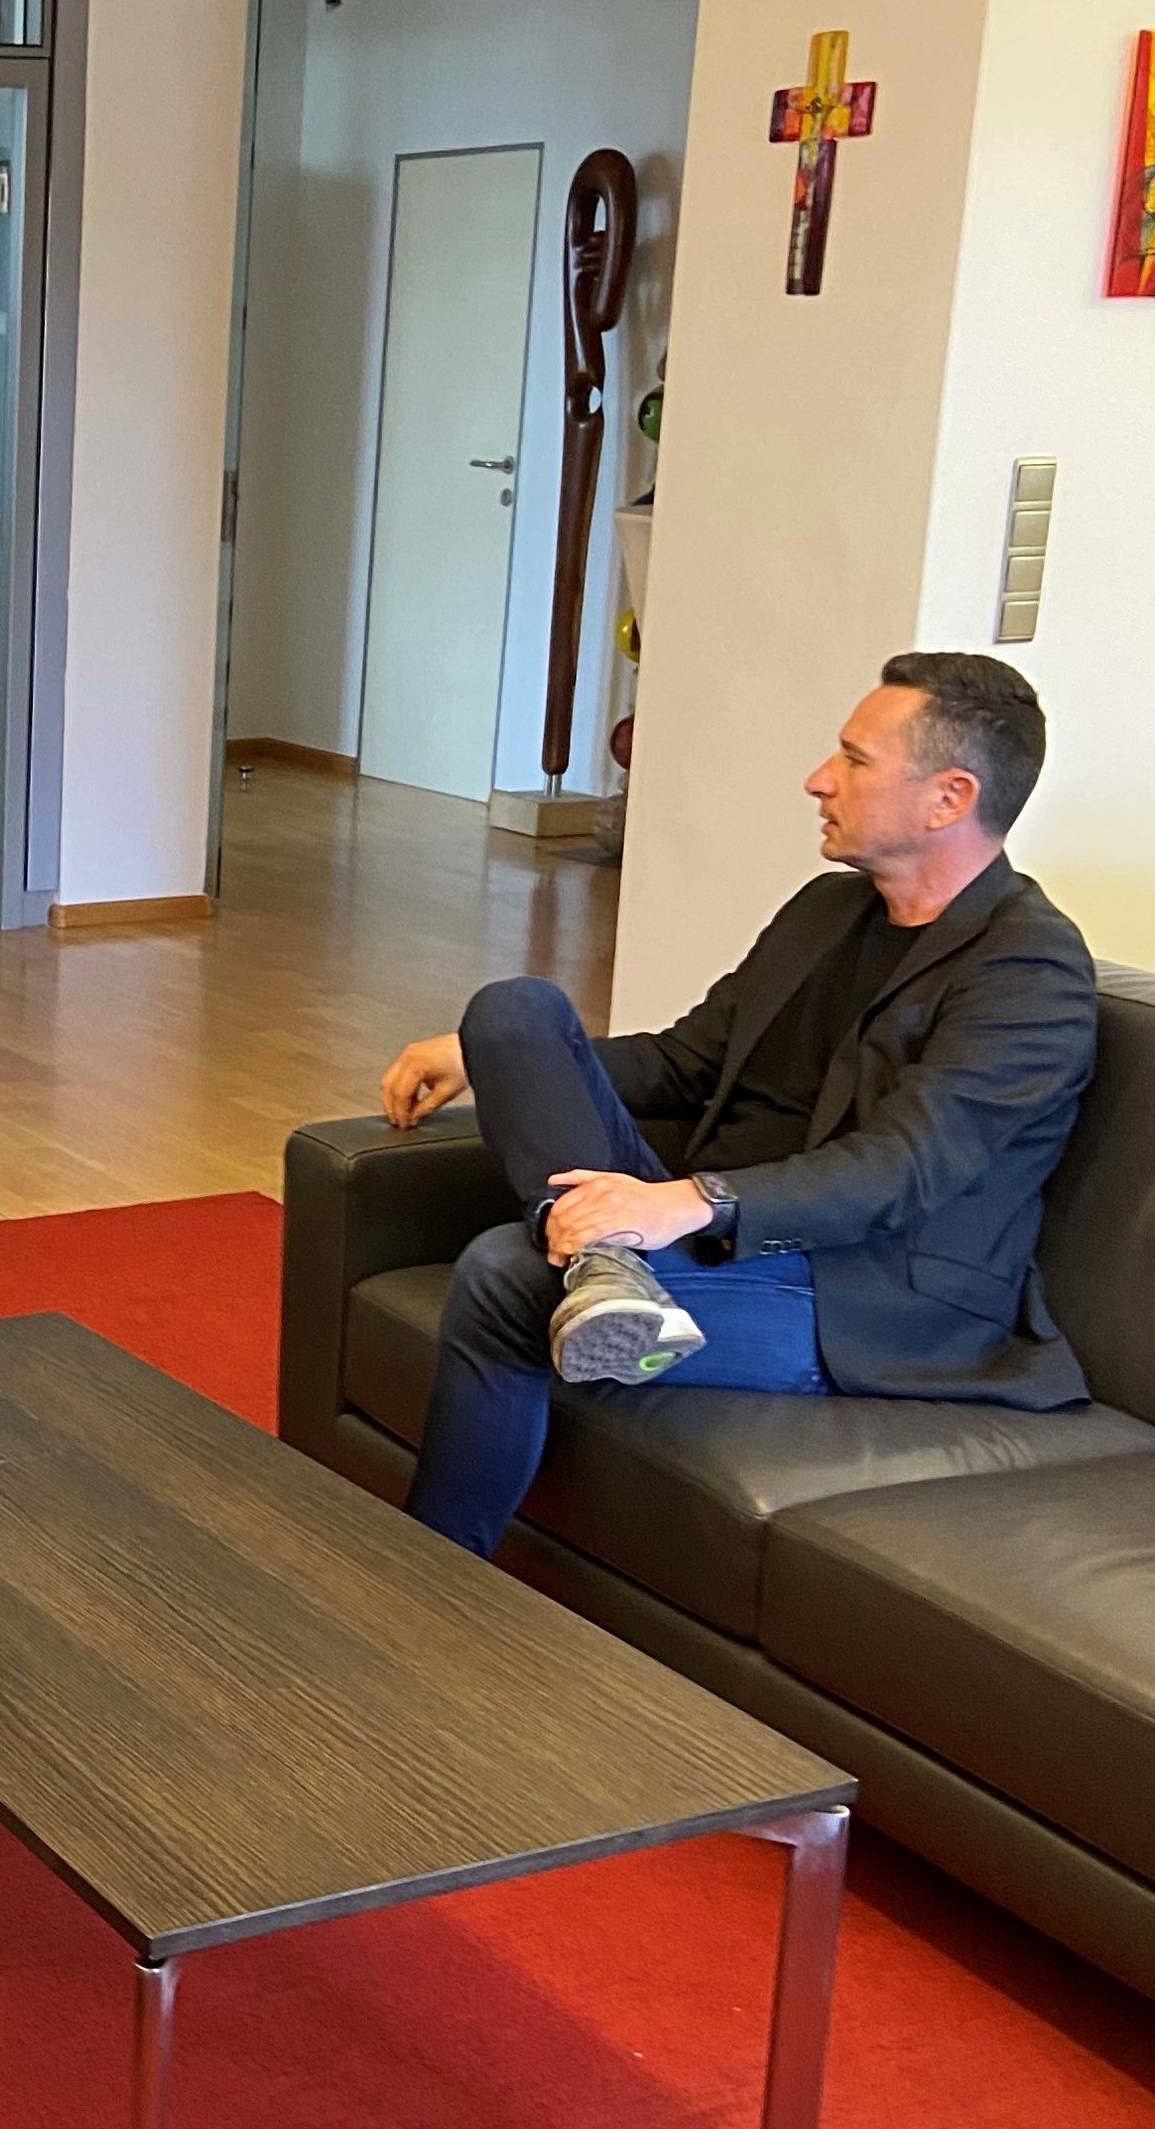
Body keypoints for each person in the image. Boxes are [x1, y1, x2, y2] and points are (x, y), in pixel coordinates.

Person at [376, 650, 1097, 1561]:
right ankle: (609, 1271)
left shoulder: (1029, 969)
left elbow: (902, 1169)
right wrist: (486, 1056)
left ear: (948, 798)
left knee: (505, 1273)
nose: (818, 780)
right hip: (719, 1238)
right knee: (513, 1012)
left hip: (865, 1291)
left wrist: (687, 1201)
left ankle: (428, 1580)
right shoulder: (827, 912)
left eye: (855, 761)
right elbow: (684, 1063)